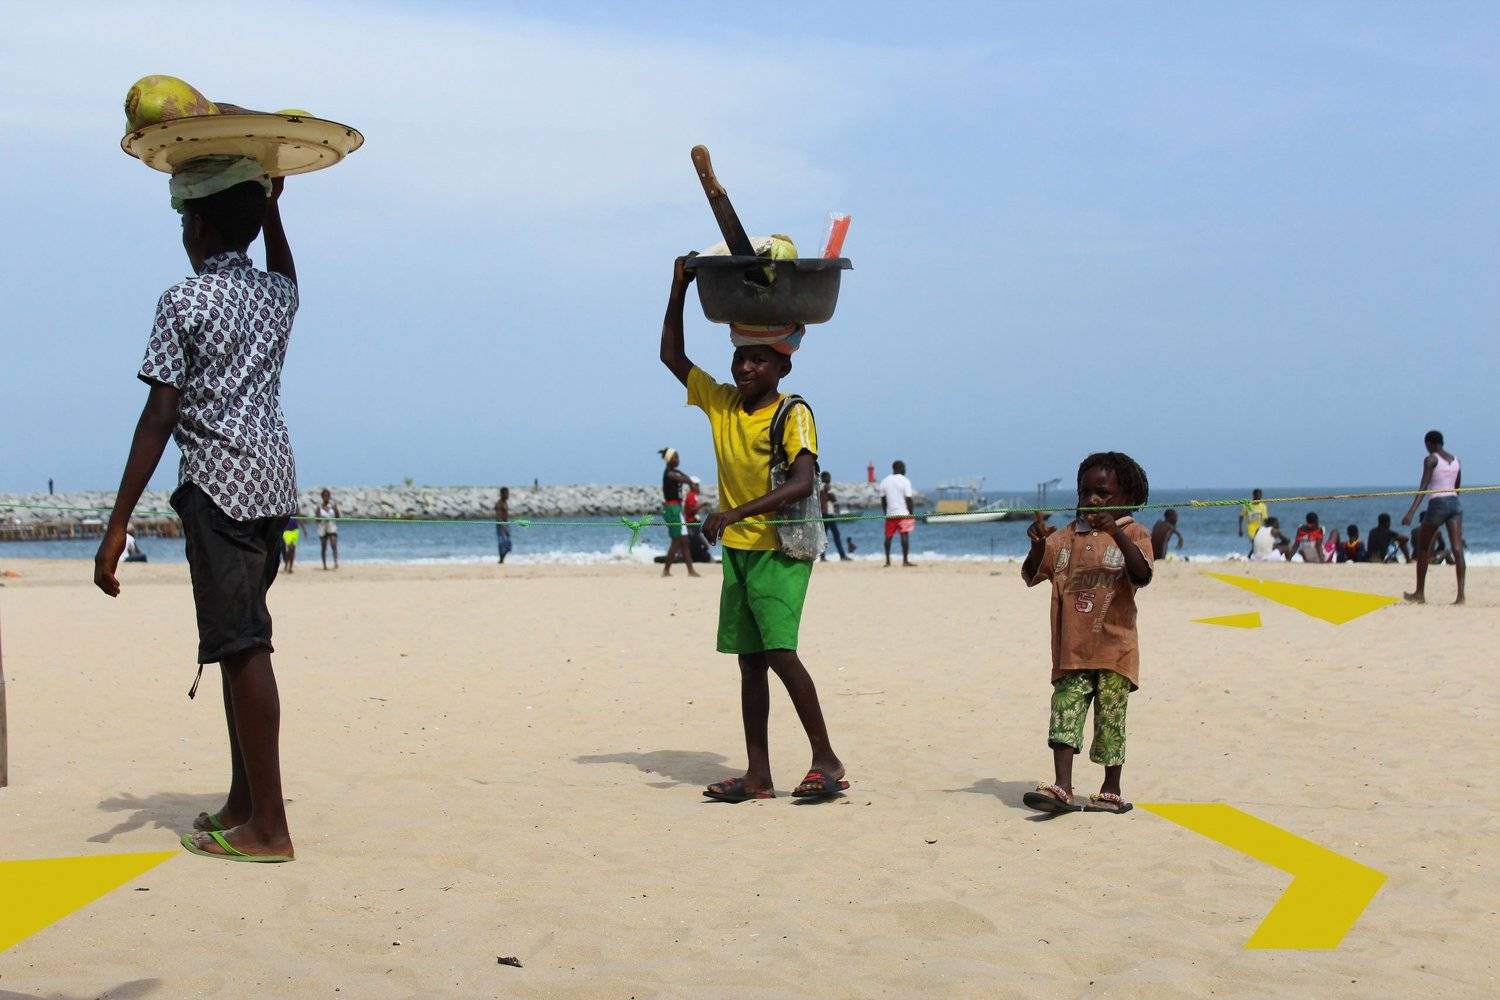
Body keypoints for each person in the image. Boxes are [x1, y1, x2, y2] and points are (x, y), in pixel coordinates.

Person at [93, 165, 299, 863]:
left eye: (186, 221)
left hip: (217, 486)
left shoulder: (183, 299)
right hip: (273, 486)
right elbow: (287, 274)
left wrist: (118, 523)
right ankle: (244, 803)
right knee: (236, 642)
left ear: (199, 228)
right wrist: (273, 209)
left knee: (242, 646)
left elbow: (160, 412)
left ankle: (269, 828)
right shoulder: (274, 296)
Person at [660, 254, 845, 802]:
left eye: (758, 360)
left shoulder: (793, 412)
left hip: (779, 550)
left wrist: (734, 513)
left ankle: (827, 760)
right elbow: (671, 355)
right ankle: (758, 775)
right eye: (740, 358)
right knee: (750, 664)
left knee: (781, 653)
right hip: (739, 551)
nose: (745, 368)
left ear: (782, 367)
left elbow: (803, 482)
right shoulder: (721, 404)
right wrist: (678, 287)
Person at [1020, 452, 1153, 816]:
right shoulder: (1064, 538)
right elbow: (1033, 573)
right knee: (1064, 711)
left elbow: (1142, 574)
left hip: (1115, 650)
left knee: (1111, 719)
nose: (1092, 499)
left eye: (1103, 493)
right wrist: (1037, 545)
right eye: (1084, 491)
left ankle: (1111, 790)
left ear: (1128, 496)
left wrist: (1114, 531)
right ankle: (1062, 787)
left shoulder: (1135, 534)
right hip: (1072, 649)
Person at [1402, 430, 1465, 605]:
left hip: (1438, 504)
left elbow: (1424, 486)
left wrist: (1411, 512)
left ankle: (1419, 594)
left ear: (1430, 443)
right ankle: (1461, 597)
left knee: (1423, 547)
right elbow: (1457, 487)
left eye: (1426, 445)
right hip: (1455, 503)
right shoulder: (1456, 460)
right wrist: (1452, 503)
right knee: (1457, 548)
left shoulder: (1431, 459)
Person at [658, 448, 700, 577]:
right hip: (672, 509)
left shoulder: (674, 472)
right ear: (669, 459)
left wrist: (688, 479)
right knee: (678, 541)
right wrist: (690, 482)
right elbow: (683, 479)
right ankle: (668, 570)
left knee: (683, 541)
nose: (678, 459)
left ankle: (688, 570)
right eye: (675, 457)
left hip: (676, 508)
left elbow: (685, 478)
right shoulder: (669, 474)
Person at [880, 460, 917, 567]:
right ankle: (905, 561)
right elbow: (909, 499)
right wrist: (911, 514)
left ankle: (887, 562)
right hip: (903, 513)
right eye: (904, 468)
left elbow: (883, 500)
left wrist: (885, 513)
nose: (905, 470)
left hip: (890, 514)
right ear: (900, 468)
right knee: (904, 536)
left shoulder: (884, 481)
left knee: (888, 537)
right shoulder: (905, 481)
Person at [818, 471, 851, 561]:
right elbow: (833, 498)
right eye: (828, 477)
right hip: (828, 514)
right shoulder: (826, 486)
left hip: (822, 514)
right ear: (824, 478)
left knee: (824, 536)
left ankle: (822, 557)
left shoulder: (819, 487)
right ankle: (842, 555)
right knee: (836, 535)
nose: (830, 479)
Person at [1238, 488, 1268, 556]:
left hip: (1260, 529)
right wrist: (1240, 529)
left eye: (1260, 495)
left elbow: (1265, 519)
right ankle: (1250, 557)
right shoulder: (1248, 505)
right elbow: (1241, 516)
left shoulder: (1263, 506)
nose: (1259, 497)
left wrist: (1268, 530)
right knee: (1255, 543)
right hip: (1251, 529)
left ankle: (1252, 557)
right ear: (1254, 495)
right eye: (1258, 495)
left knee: (1258, 545)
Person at [315, 488, 340, 570]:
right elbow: (317, 520)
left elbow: (338, 517)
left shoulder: (332, 506)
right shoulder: (319, 507)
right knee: (324, 547)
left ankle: (336, 563)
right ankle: (324, 565)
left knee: (334, 545)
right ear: (322, 497)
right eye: (325, 496)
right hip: (322, 528)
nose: (326, 497)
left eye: (328, 496)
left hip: (332, 527)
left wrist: (336, 509)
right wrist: (318, 514)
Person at [494, 487, 513, 564]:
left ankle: (501, 559)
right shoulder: (499, 504)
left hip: (506, 524)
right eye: (506, 493)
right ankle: (501, 560)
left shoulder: (505, 503)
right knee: (502, 542)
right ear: (502, 494)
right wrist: (504, 527)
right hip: (501, 525)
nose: (508, 495)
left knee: (508, 544)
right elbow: (498, 517)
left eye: (508, 493)